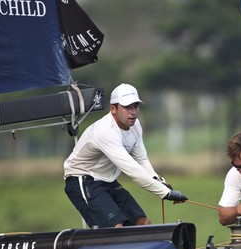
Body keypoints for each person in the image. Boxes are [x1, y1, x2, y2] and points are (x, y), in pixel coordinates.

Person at [63, 83, 187, 228]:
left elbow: (141, 159)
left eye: (136, 106)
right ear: (113, 109)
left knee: (143, 223)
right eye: (127, 107)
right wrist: (165, 193)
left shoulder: (135, 125)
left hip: (108, 180)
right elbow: (132, 170)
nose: (133, 112)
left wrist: (159, 181)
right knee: (117, 228)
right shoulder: (105, 131)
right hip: (82, 179)